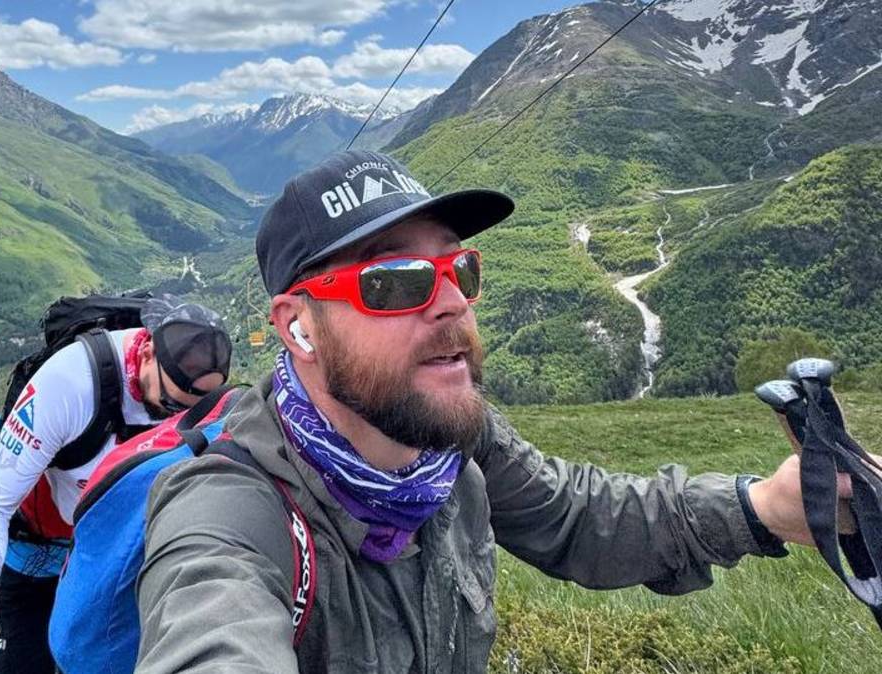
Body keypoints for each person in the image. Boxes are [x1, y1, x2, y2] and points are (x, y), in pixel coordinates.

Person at [127, 149, 873, 672]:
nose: (452, 301)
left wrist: (765, 509)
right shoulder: (228, 510)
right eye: (397, 280)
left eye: (460, 268)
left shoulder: (452, 442)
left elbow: (577, 515)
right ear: (298, 328)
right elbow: (211, 630)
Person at [0, 297, 232, 674]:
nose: (176, 416)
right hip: (30, 556)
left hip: (101, 554)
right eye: (170, 404)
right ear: (147, 351)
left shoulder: (197, 401)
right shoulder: (69, 381)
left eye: (189, 409)